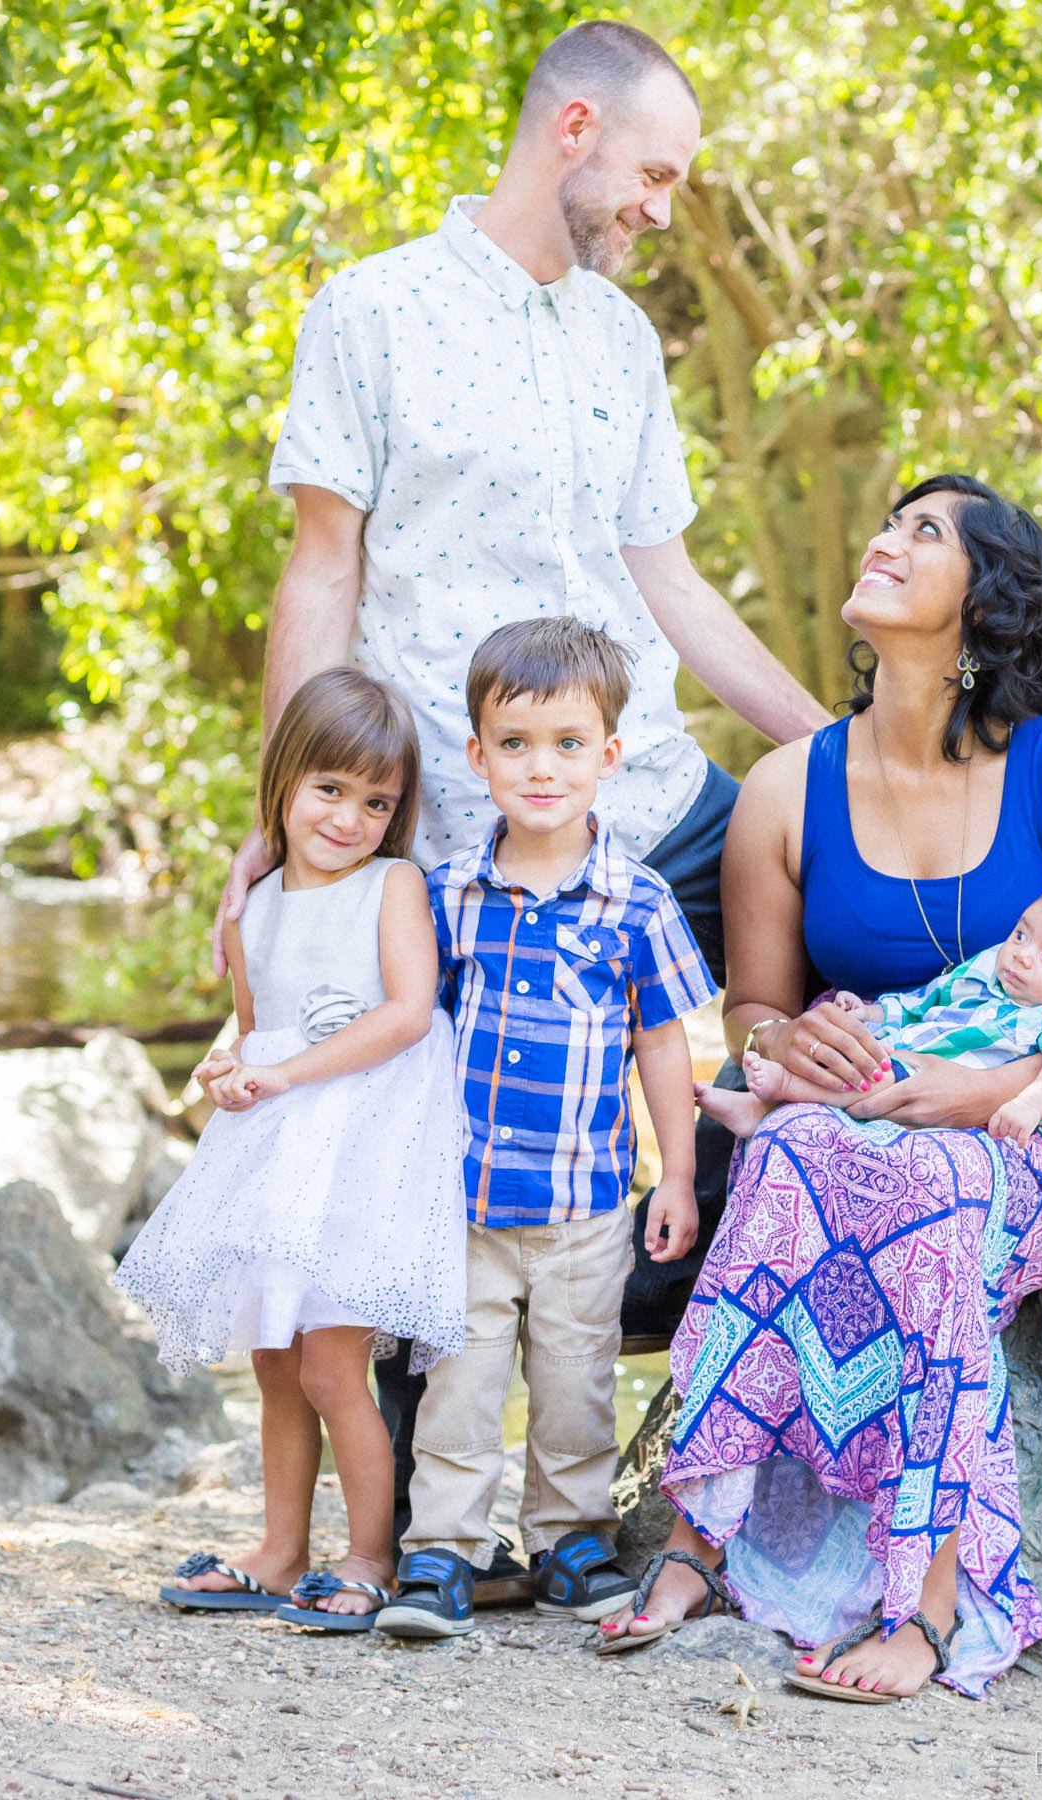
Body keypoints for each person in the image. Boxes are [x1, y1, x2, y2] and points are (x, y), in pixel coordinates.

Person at [223, 17, 829, 1577]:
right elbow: (323, 569)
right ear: (573, 130)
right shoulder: (370, 313)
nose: (662, 210)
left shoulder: (624, 345)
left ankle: (733, 1436)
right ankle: (448, 1525)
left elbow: (666, 581)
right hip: (461, 824)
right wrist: (286, 821)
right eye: (654, 174)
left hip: (655, 803)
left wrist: (825, 747)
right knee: (435, 1133)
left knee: (841, 965)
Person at [596, 474, 1042, 1704]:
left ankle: (925, 1601)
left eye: (929, 533)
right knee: (783, 1154)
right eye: (888, 519)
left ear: (987, 603)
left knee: (926, 1183)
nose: (886, 539)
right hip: (866, 1114)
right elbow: (754, 1012)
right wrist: (783, 1051)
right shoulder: (785, 787)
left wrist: (989, 1091)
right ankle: (699, 1539)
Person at [375, 619, 717, 1639]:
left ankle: (571, 1541)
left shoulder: (639, 903)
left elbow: (663, 1045)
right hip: (465, 1201)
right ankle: (445, 1554)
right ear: (476, 757)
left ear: (610, 758)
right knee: (459, 1386)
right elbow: (408, 1033)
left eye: (569, 744)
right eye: (515, 744)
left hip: (586, 1207)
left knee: (575, 1384)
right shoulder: (446, 898)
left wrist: (679, 1176)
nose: (541, 767)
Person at [115, 668, 466, 1628]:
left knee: (328, 1366)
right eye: (329, 790)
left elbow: (405, 1015)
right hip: (277, 1152)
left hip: (360, 1150)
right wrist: (224, 1075)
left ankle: (367, 1557)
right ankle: (276, 1550)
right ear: (283, 782)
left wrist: (284, 1073)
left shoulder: (392, 886)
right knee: (274, 1359)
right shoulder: (255, 904)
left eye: (376, 801)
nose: (350, 818)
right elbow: (251, 1033)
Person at [699, 881, 1042, 1148]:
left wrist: (1029, 1105)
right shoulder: (991, 965)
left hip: (942, 1080)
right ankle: (763, 1103)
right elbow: (924, 1000)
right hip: (909, 1042)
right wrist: (872, 1013)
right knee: (848, 1044)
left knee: (881, 1081)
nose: (1022, 956)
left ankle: (772, 1099)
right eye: (1022, 934)